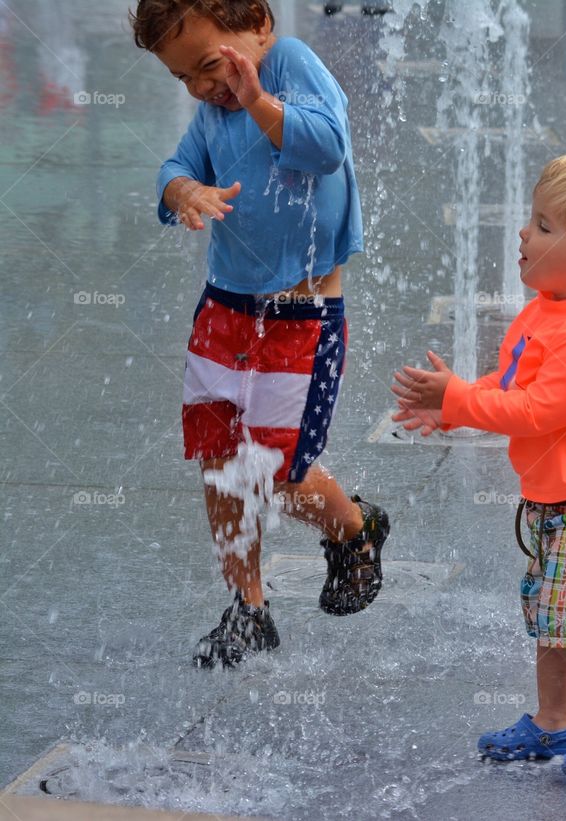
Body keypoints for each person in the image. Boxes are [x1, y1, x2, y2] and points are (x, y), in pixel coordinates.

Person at [130, 0, 389, 668]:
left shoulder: (289, 66)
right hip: (225, 311)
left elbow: (327, 145)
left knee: (271, 468)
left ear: (260, 26)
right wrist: (181, 191)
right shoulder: (213, 108)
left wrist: (259, 103)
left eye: (209, 65)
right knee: (219, 461)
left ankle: (354, 526)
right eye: (183, 77)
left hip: (301, 320)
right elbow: (174, 167)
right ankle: (248, 606)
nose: (202, 87)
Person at [392, 154, 566, 784]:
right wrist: (456, 405)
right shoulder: (549, 309)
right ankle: (552, 721)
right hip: (565, 499)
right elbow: (514, 384)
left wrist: (458, 399)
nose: (522, 233)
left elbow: (537, 411)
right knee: (553, 613)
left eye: (543, 226)